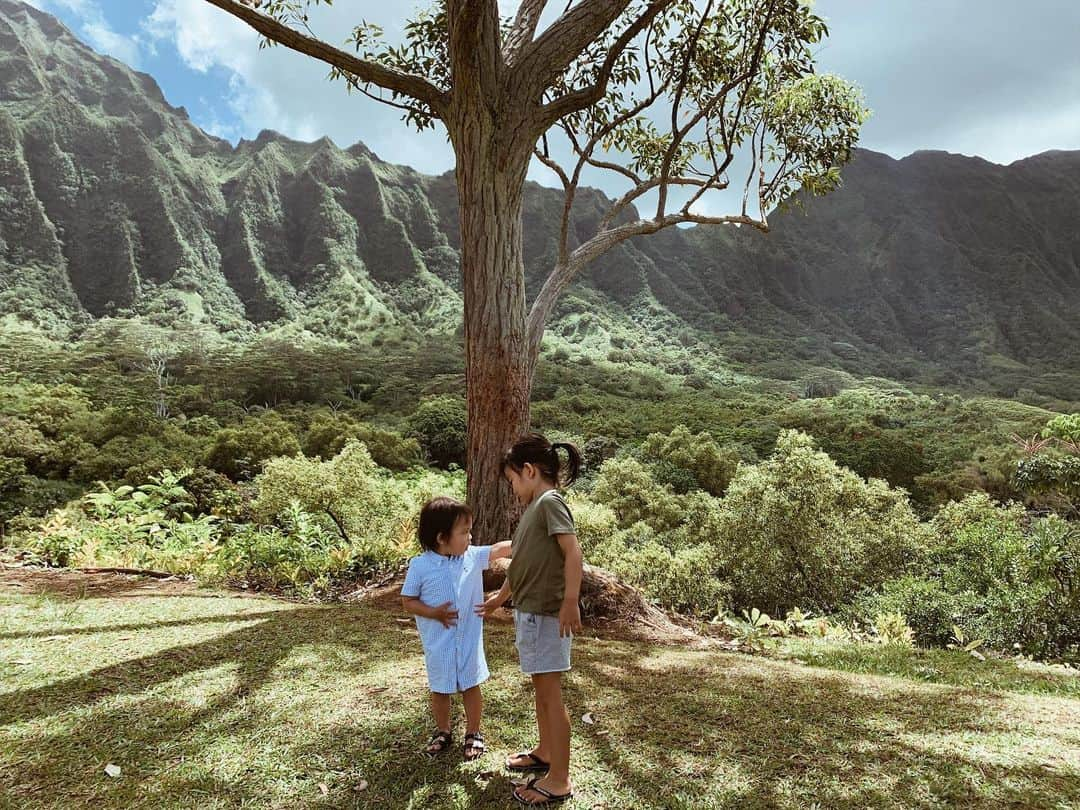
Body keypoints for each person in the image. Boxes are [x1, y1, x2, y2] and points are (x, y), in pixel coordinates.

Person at [478, 433, 584, 807]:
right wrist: (500, 599)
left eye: (512, 481)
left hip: (547, 615)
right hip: (530, 612)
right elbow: (522, 565)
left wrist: (570, 601)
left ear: (528, 470)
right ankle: (546, 752)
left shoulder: (550, 502)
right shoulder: (534, 511)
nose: (512, 489)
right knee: (542, 692)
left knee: (551, 696)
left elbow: (573, 553)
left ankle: (559, 779)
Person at [401, 496, 511, 760]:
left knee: (471, 686)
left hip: (469, 640)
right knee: (440, 688)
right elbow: (408, 601)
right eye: (464, 532)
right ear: (441, 538)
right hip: (439, 643)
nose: (470, 537)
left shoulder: (471, 556)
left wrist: (526, 540)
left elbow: (497, 549)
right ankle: (443, 730)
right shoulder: (420, 566)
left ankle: (473, 732)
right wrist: (434, 613)